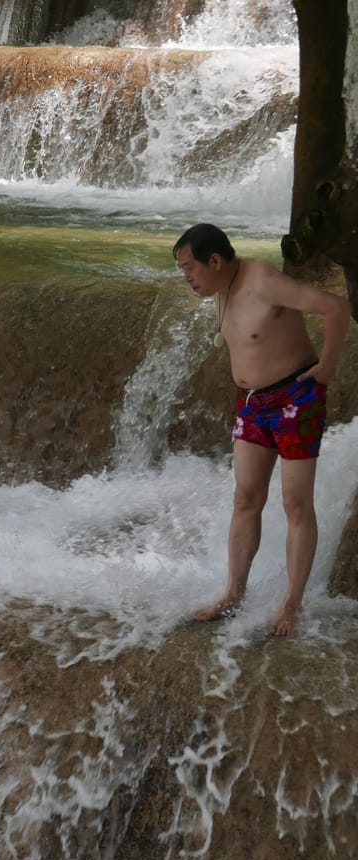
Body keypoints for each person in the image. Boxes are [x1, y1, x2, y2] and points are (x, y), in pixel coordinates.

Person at [177, 223, 348, 636]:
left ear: (215, 260)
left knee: (295, 503)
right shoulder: (220, 289)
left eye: (189, 268)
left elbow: (336, 307)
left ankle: (292, 603)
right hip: (252, 405)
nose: (186, 277)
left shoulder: (265, 281)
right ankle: (233, 594)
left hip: (295, 397)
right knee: (246, 498)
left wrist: (325, 368)